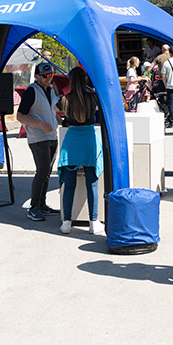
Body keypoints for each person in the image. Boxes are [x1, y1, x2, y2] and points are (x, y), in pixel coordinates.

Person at [57, 67, 103, 235]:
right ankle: (93, 222)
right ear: (85, 80)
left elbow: (55, 109)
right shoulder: (92, 97)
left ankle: (66, 223)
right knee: (92, 183)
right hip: (89, 140)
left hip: (71, 142)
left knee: (69, 185)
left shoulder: (64, 99)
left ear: (70, 80)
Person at [17, 62, 62, 221]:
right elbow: (20, 116)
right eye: (45, 76)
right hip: (38, 138)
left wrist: (61, 121)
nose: (49, 78)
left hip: (52, 136)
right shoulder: (31, 91)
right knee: (42, 172)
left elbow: (51, 110)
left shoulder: (50, 90)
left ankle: (42, 204)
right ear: (37, 76)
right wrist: (40, 123)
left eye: (51, 75)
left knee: (47, 172)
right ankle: (34, 207)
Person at [162, 47, 173, 127]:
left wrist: (165, 84)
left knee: (171, 104)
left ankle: (172, 121)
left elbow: (163, 75)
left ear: (169, 53)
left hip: (170, 86)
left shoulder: (166, 63)